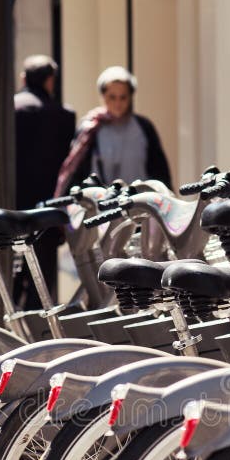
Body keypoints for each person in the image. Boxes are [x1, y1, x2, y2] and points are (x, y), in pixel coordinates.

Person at [14, 55, 76, 305]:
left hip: (12, 211)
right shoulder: (63, 115)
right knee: (42, 287)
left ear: (23, 78)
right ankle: (37, 336)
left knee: (10, 281)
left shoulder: (9, 109)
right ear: (51, 81)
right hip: (47, 212)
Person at [54, 65, 172, 196]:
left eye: (123, 97)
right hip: (101, 206)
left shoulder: (144, 127)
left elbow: (159, 170)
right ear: (103, 96)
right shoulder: (90, 128)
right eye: (112, 97)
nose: (118, 103)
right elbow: (76, 172)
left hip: (139, 205)